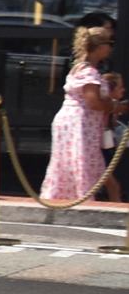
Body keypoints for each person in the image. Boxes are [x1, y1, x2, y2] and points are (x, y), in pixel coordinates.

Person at [42, 23, 123, 205]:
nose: (110, 48)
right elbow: (93, 101)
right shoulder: (88, 71)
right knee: (81, 162)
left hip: (72, 122)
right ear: (100, 47)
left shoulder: (78, 68)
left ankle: (60, 198)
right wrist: (114, 107)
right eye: (109, 44)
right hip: (80, 124)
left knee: (67, 163)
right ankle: (81, 200)